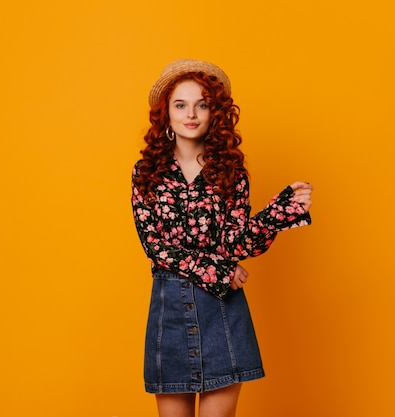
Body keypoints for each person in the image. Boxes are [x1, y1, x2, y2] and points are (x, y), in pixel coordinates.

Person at [131, 59, 313, 417]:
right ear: (165, 114)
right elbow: (155, 245)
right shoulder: (146, 172)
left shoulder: (230, 171)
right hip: (169, 311)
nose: (191, 114)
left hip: (221, 313)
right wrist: (218, 270)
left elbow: (234, 242)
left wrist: (280, 212)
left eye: (202, 104)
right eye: (180, 105)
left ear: (215, 112)